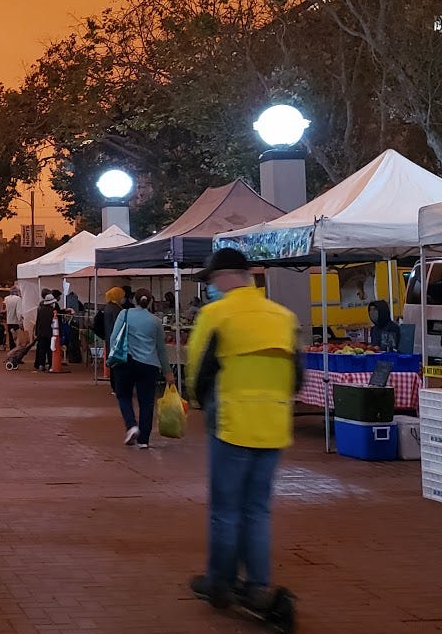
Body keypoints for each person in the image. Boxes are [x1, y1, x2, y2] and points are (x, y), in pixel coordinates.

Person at [186, 248, 303, 611]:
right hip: (274, 425)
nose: (211, 288)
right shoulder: (283, 317)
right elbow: (297, 377)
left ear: (223, 277)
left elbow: (196, 373)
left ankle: (220, 582)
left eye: (212, 281)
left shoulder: (215, 314)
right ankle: (257, 583)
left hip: (231, 423)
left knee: (225, 509)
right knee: (257, 509)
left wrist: (206, 405)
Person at [110, 290, 173, 448]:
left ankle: (131, 425)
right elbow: (161, 348)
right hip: (149, 365)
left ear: (133, 300)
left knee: (123, 395)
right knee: (147, 402)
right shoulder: (156, 321)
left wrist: (113, 358)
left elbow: (114, 337)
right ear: (151, 302)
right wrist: (168, 371)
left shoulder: (124, 314)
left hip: (126, 362)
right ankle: (144, 440)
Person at [33, 289, 56, 371]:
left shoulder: (40, 309)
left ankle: (41, 365)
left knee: (41, 350)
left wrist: (36, 332)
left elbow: (37, 321)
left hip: (41, 332)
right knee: (50, 349)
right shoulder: (53, 311)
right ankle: (50, 364)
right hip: (50, 332)